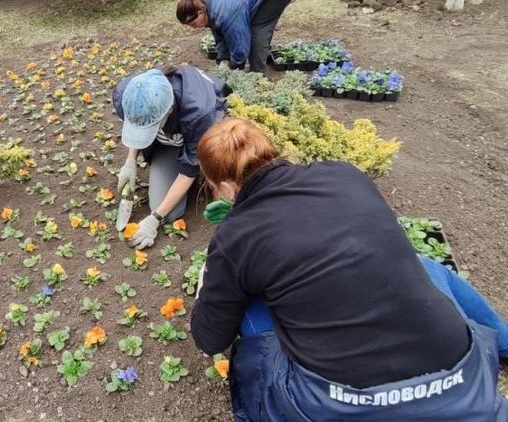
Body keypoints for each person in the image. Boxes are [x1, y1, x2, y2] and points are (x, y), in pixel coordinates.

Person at [191, 118, 508, 421]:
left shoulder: (235, 235)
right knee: (424, 266)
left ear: (228, 189)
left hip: (340, 405)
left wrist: (214, 273)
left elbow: (210, 337)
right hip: (463, 385)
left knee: (248, 306)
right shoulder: (344, 174)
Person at [112, 64, 230, 250]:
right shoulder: (129, 94)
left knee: (169, 214)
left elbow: (189, 170)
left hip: (202, 137)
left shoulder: (200, 113)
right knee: (161, 204)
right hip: (171, 139)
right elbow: (137, 123)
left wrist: (154, 219)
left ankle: (204, 176)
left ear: (168, 111)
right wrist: (130, 162)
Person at [176, 0, 292, 74]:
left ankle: (258, 75)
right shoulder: (206, 6)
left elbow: (240, 49)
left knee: (257, 28)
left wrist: (234, 67)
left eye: (193, 24)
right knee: (244, 24)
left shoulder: (226, 13)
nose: (194, 28)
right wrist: (223, 59)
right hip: (238, 4)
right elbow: (219, 33)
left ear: (200, 13)